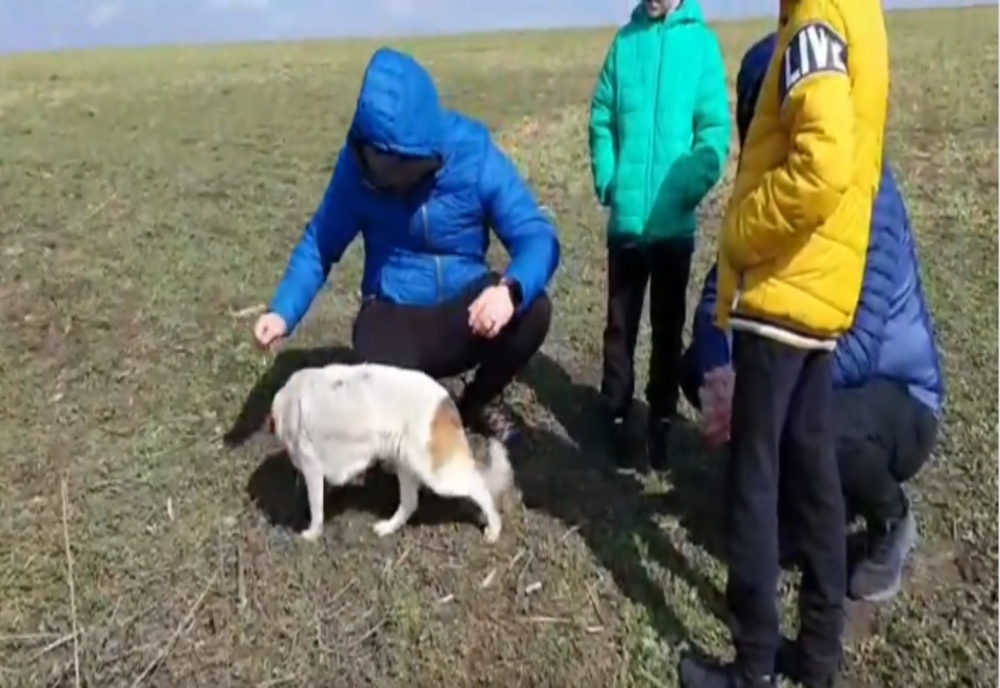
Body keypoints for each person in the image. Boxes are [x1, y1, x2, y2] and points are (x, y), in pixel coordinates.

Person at [678, 8, 891, 688]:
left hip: (783, 287)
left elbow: (821, 164)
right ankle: (820, 655)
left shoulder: (815, 18)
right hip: (821, 290)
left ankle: (753, 666)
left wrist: (742, 230)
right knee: (813, 472)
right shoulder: (860, 14)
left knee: (756, 477)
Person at [253, 47, 560, 443]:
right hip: (395, 309)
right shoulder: (358, 165)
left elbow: (536, 235)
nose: (387, 180)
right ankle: (408, 421)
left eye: (399, 168)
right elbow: (320, 243)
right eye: (379, 167)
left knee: (533, 309)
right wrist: (283, 311)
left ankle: (477, 402)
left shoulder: (473, 153)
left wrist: (509, 291)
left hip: (464, 308)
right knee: (373, 349)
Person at [588, 0, 730, 471]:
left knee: (668, 330)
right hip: (627, 222)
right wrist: (609, 179)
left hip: (673, 225)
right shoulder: (624, 43)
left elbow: (713, 133)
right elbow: (602, 115)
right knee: (619, 327)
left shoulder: (701, 45)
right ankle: (614, 412)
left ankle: (660, 422)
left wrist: (686, 187)